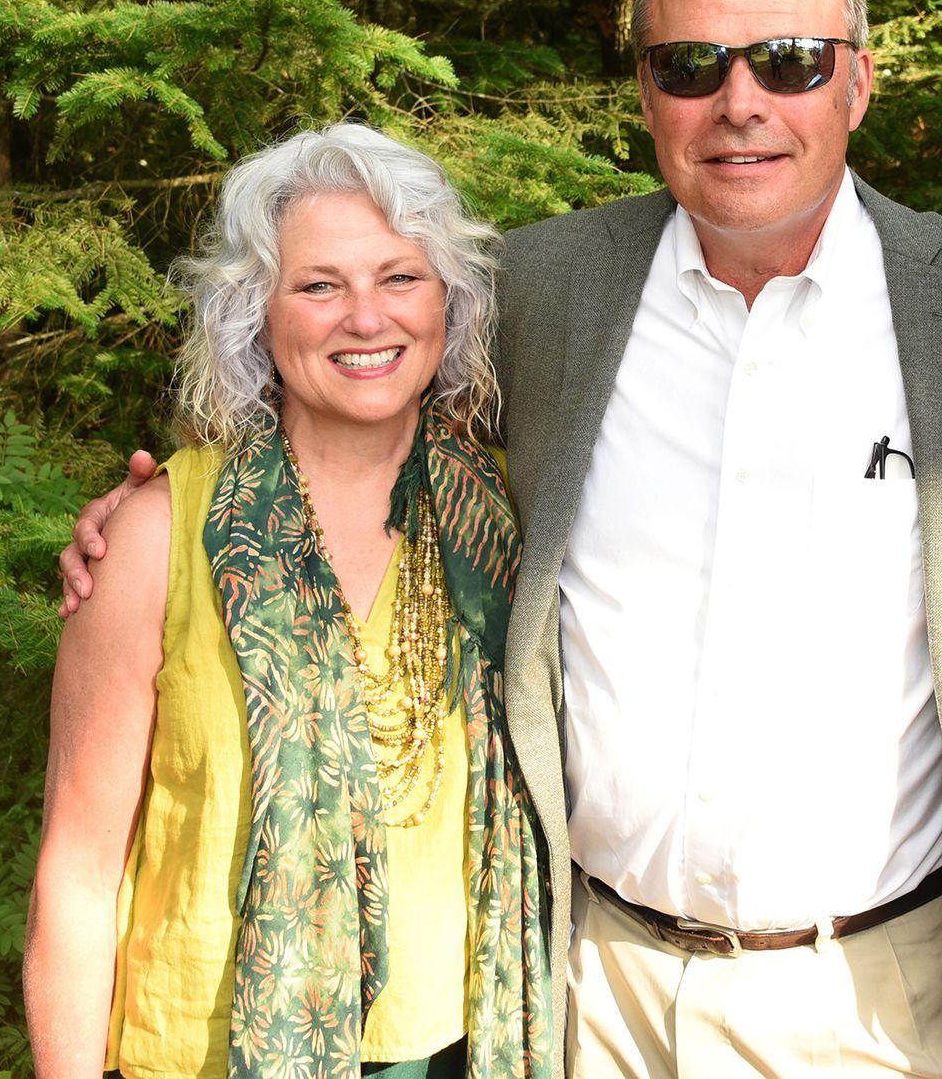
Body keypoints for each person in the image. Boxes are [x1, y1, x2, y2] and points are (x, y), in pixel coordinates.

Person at [61, 0, 942, 1078]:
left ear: (858, 81)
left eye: (792, 61)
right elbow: (355, 407)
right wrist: (145, 518)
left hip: (887, 1004)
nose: (742, 102)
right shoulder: (545, 294)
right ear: (649, 93)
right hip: (585, 996)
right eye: (694, 63)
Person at [29, 125, 551, 1078]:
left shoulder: (510, 517)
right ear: (253, 314)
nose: (366, 318)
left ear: (452, 302)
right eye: (319, 285)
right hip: (207, 1051)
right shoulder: (158, 532)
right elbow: (77, 867)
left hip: (457, 1045)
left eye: (401, 277)